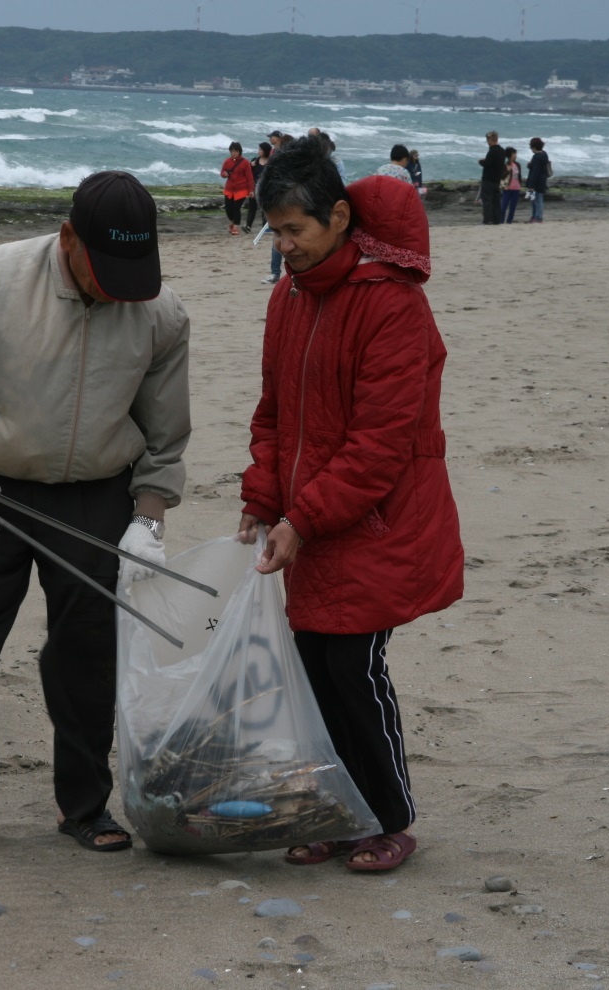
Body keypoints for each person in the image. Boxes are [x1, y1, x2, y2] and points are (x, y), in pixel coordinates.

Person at [0, 171, 192, 857]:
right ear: (69, 237)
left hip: (96, 494)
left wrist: (149, 520)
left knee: (87, 659)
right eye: (105, 270)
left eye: (133, 273)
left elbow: (164, 435)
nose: (118, 288)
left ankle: (83, 804)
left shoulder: (160, 314)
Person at [238, 136, 462, 872]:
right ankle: (338, 811)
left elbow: (380, 443)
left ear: (337, 217)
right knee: (308, 670)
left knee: (353, 670)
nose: (284, 246)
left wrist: (302, 519)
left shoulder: (391, 304)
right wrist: (262, 498)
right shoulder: (287, 298)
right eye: (274, 231)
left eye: (294, 230)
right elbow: (272, 413)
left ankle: (389, 817)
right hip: (308, 520)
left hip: (375, 522)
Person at [262, 132, 294, 284]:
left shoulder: (286, 162)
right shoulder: (279, 160)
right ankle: (277, 273)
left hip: (288, 206)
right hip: (281, 205)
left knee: (283, 240)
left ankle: (279, 273)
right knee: (281, 239)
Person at [221, 141, 254, 236]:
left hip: (241, 190)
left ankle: (235, 226)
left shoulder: (245, 162)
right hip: (229, 189)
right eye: (231, 151)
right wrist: (224, 174)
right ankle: (232, 222)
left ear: (239, 151)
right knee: (228, 209)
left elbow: (249, 177)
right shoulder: (227, 161)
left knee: (236, 208)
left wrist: (251, 190)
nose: (233, 153)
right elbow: (222, 173)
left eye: (235, 151)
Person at [477, 130, 506, 225]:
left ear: (490, 140)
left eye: (487, 139)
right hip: (497, 179)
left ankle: (487, 219)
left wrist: (481, 162)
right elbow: (500, 165)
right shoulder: (502, 151)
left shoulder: (492, 151)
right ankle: (497, 219)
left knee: (487, 200)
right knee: (496, 201)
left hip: (488, 179)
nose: (487, 142)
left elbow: (488, 163)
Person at [244, 142, 270, 232]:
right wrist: (250, 166)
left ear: (265, 151)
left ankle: (264, 227)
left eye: (260, 149)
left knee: (264, 209)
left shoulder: (270, 162)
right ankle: (248, 226)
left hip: (265, 189)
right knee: (252, 208)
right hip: (254, 188)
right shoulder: (255, 161)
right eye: (258, 149)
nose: (258, 151)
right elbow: (249, 174)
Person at [525, 137, 551, 223]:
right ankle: (536, 217)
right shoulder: (544, 154)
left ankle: (537, 217)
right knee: (537, 199)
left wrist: (531, 185)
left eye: (531, 147)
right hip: (542, 182)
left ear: (534, 147)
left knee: (535, 200)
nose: (531, 149)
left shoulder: (537, 157)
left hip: (535, 183)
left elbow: (535, 172)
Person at [500, 146, 522, 225]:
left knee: (512, 208)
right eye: (514, 154)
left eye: (515, 154)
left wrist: (520, 184)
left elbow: (519, 176)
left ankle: (509, 222)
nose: (515, 155)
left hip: (516, 188)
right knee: (503, 207)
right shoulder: (505, 164)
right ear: (509, 155)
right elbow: (501, 176)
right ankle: (501, 222)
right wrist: (507, 171)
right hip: (507, 188)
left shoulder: (518, 164)